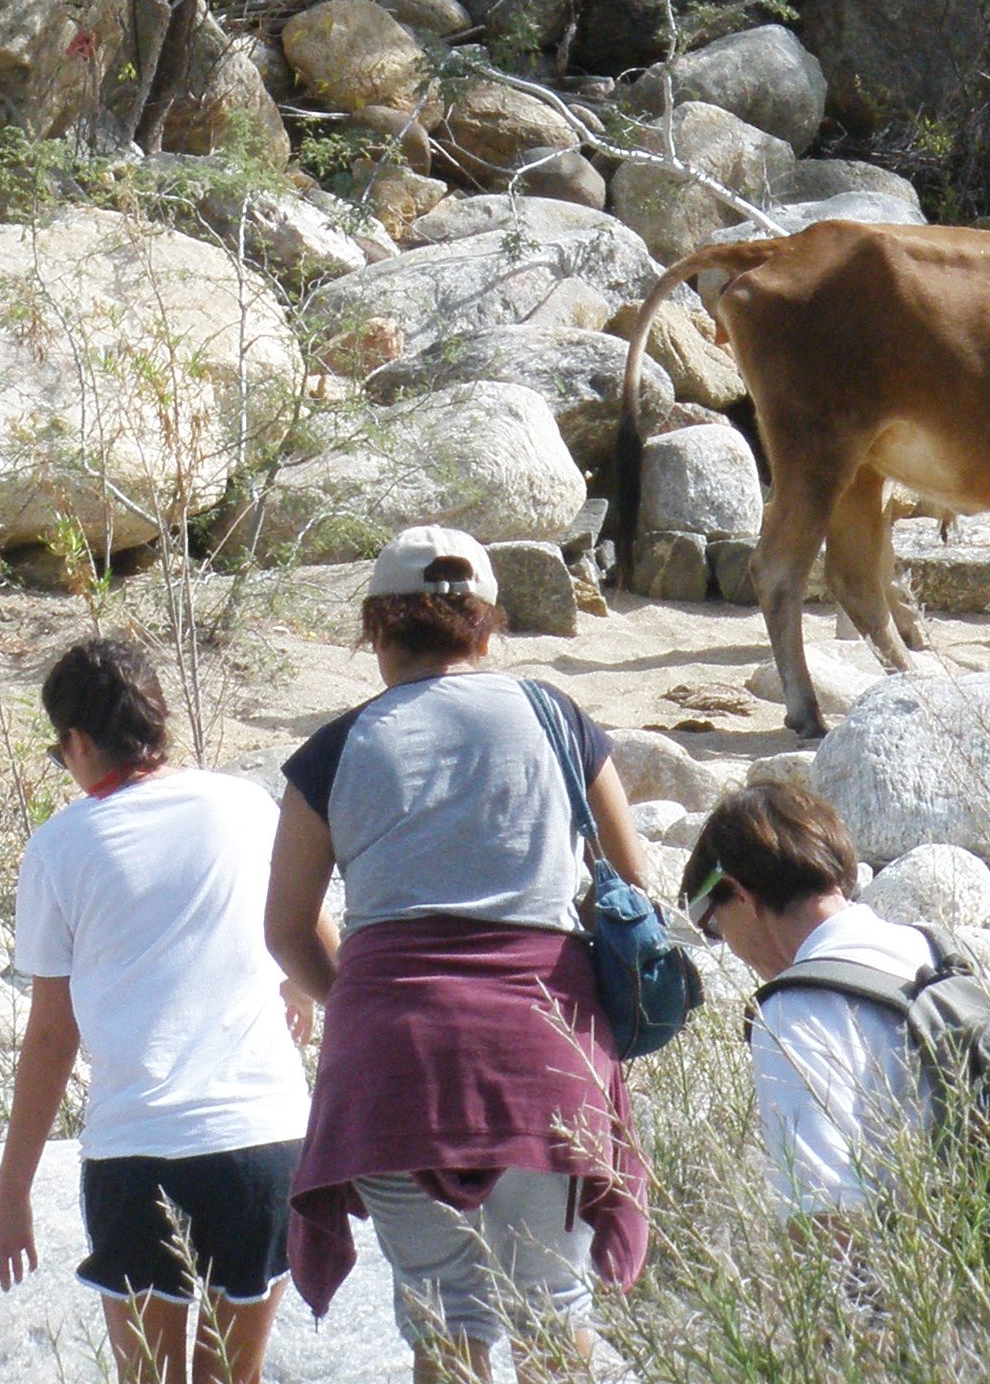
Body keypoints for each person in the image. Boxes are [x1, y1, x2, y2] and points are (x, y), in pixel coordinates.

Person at [263, 526, 654, 1384]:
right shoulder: (558, 720)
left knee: (443, 1318)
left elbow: (286, 928)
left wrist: (366, 1001)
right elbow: (632, 879)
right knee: (553, 1313)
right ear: (488, 626)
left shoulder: (334, 750)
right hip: (543, 1048)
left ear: (375, 630)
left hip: (392, 1065)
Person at [0, 634, 314, 1384]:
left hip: (138, 1150)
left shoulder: (61, 848)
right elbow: (303, 937)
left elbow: (50, 1037)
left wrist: (11, 1195)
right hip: (263, 1140)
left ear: (76, 741)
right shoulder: (245, 805)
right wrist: (298, 993)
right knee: (234, 1376)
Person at [679, 782, 933, 1218]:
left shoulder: (793, 1010)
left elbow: (825, 1217)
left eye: (714, 926)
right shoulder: (933, 951)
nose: (730, 947)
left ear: (739, 894)